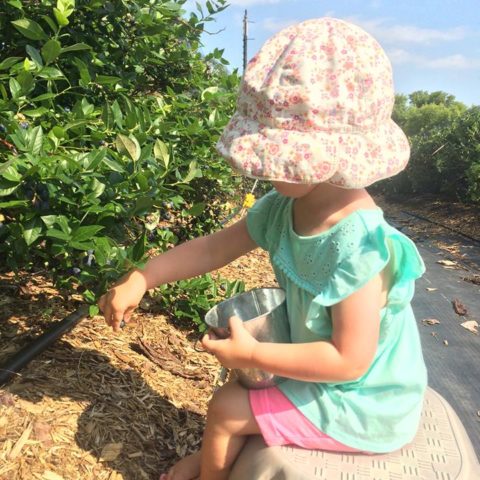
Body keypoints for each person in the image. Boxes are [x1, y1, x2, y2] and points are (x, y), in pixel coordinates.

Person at [98, 17, 427, 480]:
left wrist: (251, 356)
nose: (265, 172)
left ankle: (214, 465)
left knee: (228, 406)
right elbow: (215, 249)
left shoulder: (358, 246)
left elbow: (349, 359)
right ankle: (223, 449)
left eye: (279, 160)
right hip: (320, 363)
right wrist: (143, 277)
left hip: (366, 397)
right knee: (245, 378)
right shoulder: (281, 206)